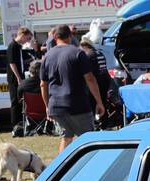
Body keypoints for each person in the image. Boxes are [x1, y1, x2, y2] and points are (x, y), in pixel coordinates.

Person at [40, 25, 104, 154]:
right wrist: (99, 102)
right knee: (88, 139)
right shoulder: (77, 53)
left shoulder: (47, 56)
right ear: (70, 36)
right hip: (77, 104)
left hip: (56, 106)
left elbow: (43, 84)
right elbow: (90, 78)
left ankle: (61, 169)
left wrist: (47, 106)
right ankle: (89, 170)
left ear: (55, 37)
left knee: (66, 137)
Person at [6, 27, 34, 134]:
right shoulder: (12, 46)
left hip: (20, 76)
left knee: (20, 101)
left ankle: (21, 125)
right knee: (15, 101)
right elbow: (12, 63)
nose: (28, 40)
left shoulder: (19, 47)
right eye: (28, 37)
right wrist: (18, 77)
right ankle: (15, 126)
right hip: (14, 78)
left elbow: (20, 62)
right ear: (22, 34)